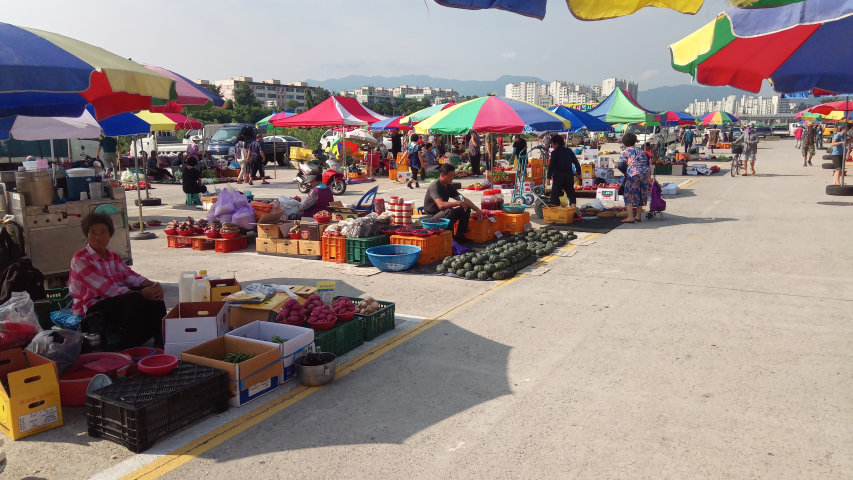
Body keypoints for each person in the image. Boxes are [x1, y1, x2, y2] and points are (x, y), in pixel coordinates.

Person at [70, 213, 165, 349]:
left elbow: (130, 276)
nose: (98, 237)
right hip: (92, 306)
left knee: (154, 295)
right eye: (93, 233)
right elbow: (106, 289)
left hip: (114, 299)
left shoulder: (113, 256)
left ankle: (160, 337)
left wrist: (153, 285)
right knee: (134, 299)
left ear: (110, 234)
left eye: (103, 232)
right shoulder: (80, 259)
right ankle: (131, 345)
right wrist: (140, 294)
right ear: (86, 235)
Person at [423, 163, 481, 243]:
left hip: (443, 215)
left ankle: (460, 235)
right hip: (431, 218)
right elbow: (441, 205)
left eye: (453, 175)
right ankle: (451, 239)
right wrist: (458, 203)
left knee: (465, 208)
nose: (452, 178)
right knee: (449, 210)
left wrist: (477, 210)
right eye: (450, 176)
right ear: (443, 175)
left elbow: (464, 200)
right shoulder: (435, 186)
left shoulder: (449, 186)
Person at [619, 132, 652, 223]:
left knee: (628, 194)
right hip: (645, 174)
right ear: (634, 142)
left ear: (624, 142)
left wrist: (625, 172)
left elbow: (621, 165)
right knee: (641, 193)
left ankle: (630, 217)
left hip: (633, 174)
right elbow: (648, 164)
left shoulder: (625, 152)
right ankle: (638, 216)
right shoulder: (641, 151)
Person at [546, 134, 581, 209]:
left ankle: (556, 211)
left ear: (556, 144)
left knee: (555, 194)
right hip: (568, 175)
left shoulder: (554, 153)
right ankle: (573, 209)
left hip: (558, 175)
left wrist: (548, 177)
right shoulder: (569, 151)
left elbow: (552, 166)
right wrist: (579, 172)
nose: (552, 146)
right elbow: (576, 162)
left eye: (552, 144)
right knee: (571, 193)